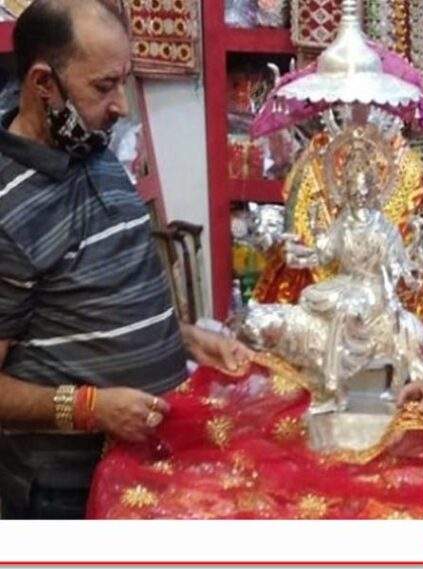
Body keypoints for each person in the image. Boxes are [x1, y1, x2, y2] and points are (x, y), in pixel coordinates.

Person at [0, 0, 252, 519]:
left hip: (141, 465)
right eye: (103, 87)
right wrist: (92, 408)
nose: (121, 106)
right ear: (43, 84)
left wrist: (179, 333)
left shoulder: (90, 146)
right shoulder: (9, 208)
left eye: (124, 82)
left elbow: (88, 293)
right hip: (65, 488)